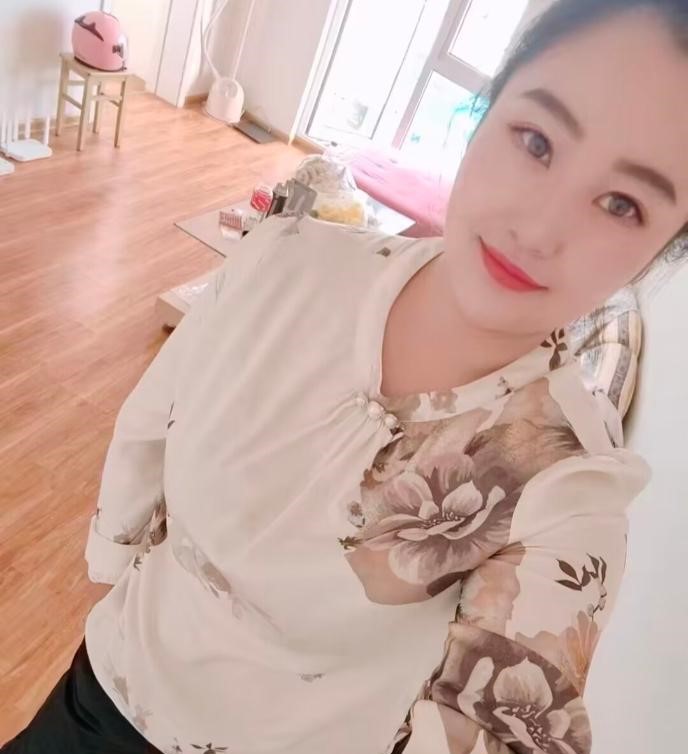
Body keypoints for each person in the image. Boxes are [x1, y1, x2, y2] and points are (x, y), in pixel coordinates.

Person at [4, 1, 687, 752]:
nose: (541, 227)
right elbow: (151, 422)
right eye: (537, 141)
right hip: (105, 688)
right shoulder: (284, 260)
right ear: (488, 112)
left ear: (663, 248)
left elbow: (508, 726)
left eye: (622, 204)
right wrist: (112, 570)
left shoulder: (567, 489)